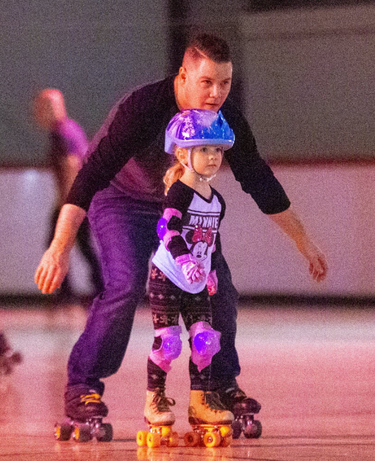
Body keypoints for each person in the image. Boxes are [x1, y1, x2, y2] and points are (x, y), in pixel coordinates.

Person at [34, 34, 327, 424]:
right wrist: (59, 247)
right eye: (206, 83)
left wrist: (303, 241)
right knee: (124, 284)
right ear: (183, 76)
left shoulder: (225, 118)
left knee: (217, 286)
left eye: (224, 83)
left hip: (186, 205)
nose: (216, 94)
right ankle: (82, 385)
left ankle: (217, 385)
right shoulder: (144, 108)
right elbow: (90, 175)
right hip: (122, 199)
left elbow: (257, 178)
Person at [145, 108, 234, 428]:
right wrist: (184, 261)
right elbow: (166, 229)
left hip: (196, 280)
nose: (213, 157)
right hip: (168, 276)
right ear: (183, 154)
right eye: (204, 149)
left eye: (217, 150)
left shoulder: (217, 201)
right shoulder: (180, 191)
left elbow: (212, 239)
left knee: (205, 341)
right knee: (168, 343)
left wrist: (209, 270)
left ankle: (200, 402)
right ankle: (154, 399)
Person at [33, 89, 103, 303]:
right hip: (81, 196)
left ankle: (73, 289)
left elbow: (70, 165)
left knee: (60, 243)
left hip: (74, 199)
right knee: (78, 243)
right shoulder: (69, 128)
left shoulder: (61, 133)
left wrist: (67, 202)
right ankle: (84, 287)